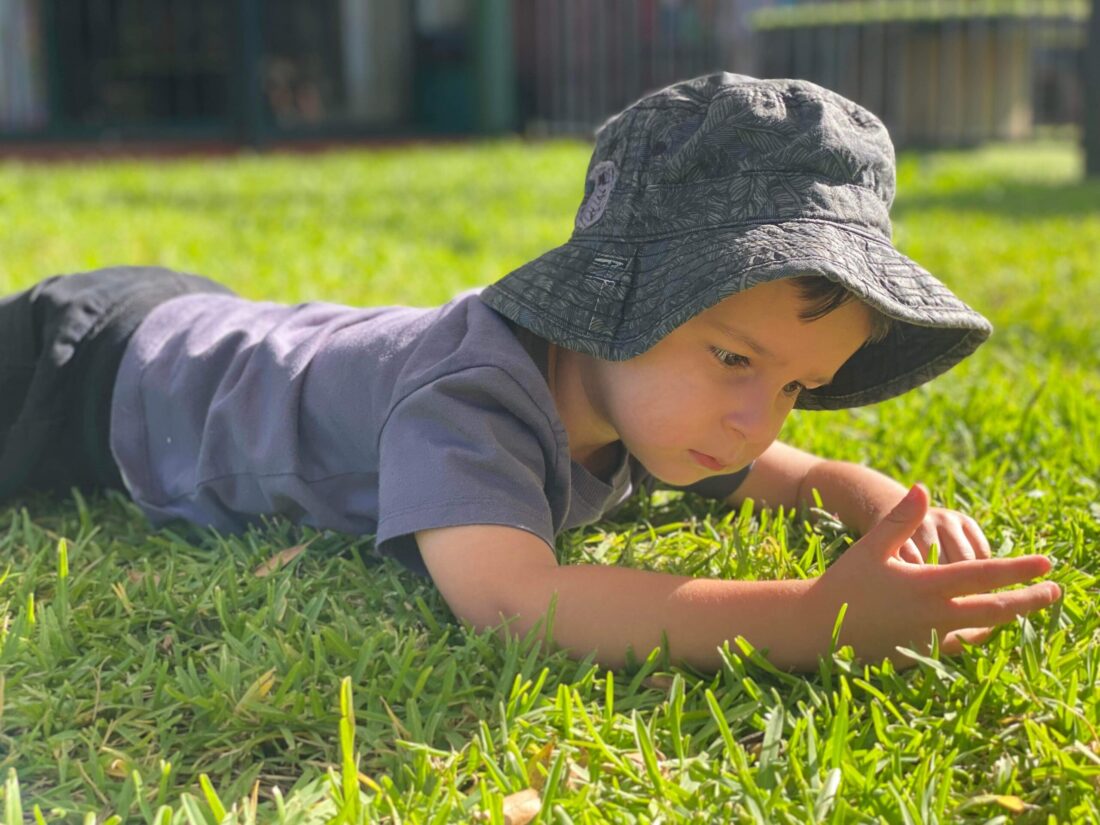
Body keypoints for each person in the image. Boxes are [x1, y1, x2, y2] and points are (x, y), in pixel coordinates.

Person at [0, 74, 1060, 672]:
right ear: (609, 307)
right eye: (735, 357)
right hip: (84, 376)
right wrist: (814, 617)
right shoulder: (473, 399)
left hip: (204, 321)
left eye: (791, 385)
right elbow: (513, 600)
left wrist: (879, 509)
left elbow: (799, 473)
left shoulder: (660, 404)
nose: (752, 422)